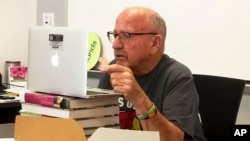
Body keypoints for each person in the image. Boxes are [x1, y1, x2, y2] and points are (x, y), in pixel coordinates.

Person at [98, 6, 207, 141]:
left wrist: (138, 98)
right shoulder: (113, 70)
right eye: (115, 35)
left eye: (126, 36)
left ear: (155, 43)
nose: (115, 45)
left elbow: (173, 139)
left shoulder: (178, 77)